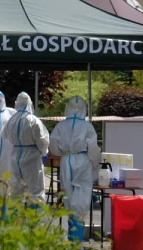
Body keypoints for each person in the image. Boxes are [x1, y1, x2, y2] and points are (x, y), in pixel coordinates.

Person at [47, 95, 101, 242]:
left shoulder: (61, 125)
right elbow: (93, 148)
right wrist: (95, 163)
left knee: (68, 195)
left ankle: (72, 238)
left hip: (66, 160)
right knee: (82, 195)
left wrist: (59, 153)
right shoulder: (87, 126)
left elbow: (53, 143)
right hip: (83, 160)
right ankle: (76, 240)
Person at [0, 91, 50, 203]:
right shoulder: (33, 120)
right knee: (35, 189)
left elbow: (4, 135)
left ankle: (15, 217)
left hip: (15, 155)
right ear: (29, 104)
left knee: (16, 189)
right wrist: (44, 152)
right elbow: (42, 140)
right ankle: (34, 216)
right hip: (31, 156)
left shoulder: (11, 120)